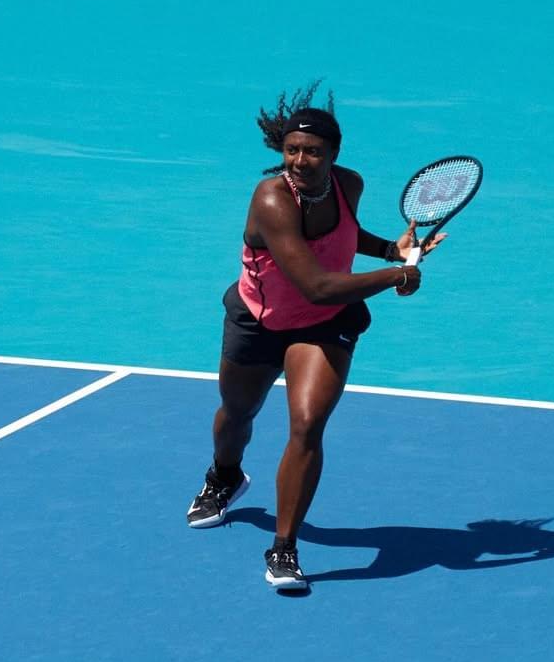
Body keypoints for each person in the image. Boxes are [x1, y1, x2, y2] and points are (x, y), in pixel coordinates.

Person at [186, 86, 445, 592]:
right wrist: (396, 276)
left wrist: (391, 250)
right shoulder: (271, 199)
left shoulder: (349, 185)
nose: (300, 161)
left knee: (307, 424)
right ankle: (225, 476)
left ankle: (284, 547)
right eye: (292, 150)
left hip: (325, 322)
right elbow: (316, 285)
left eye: (313, 152)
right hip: (260, 319)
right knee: (237, 412)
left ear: (334, 155)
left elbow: (342, 237)